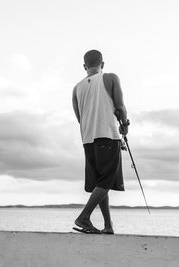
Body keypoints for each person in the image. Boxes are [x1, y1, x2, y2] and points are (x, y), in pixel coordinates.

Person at [72, 50, 129, 234]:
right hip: (106, 134)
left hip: (87, 139)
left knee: (100, 182)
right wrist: (124, 125)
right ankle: (84, 217)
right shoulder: (110, 78)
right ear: (102, 64)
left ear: (84, 66)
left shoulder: (76, 88)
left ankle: (108, 226)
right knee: (108, 179)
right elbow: (119, 107)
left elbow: (79, 117)